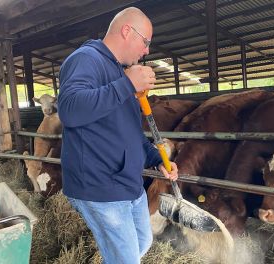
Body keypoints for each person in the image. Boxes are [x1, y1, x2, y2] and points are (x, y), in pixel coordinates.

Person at [57, 7, 178, 264]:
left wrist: (155, 157)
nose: (146, 51)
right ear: (127, 31)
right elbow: (69, 110)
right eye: (145, 42)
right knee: (126, 260)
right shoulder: (86, 59)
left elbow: (129, 131)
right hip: (100, 185)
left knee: (142, 243)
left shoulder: (118, 70)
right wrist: (126, 84)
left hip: (128, 183)